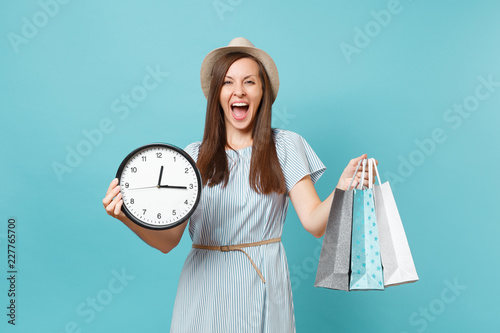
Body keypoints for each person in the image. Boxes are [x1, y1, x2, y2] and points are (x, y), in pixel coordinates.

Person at [102, 37, 374, 332]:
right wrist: (125, 216)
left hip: (263, 279)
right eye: (228, 82)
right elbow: (168, 241)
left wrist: (343, 187)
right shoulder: (192, 156)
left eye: (249, 82)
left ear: (263, 92)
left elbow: (314, 223)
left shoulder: (285, 146)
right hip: (203, 286)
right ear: (217, 93)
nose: (238, 91)